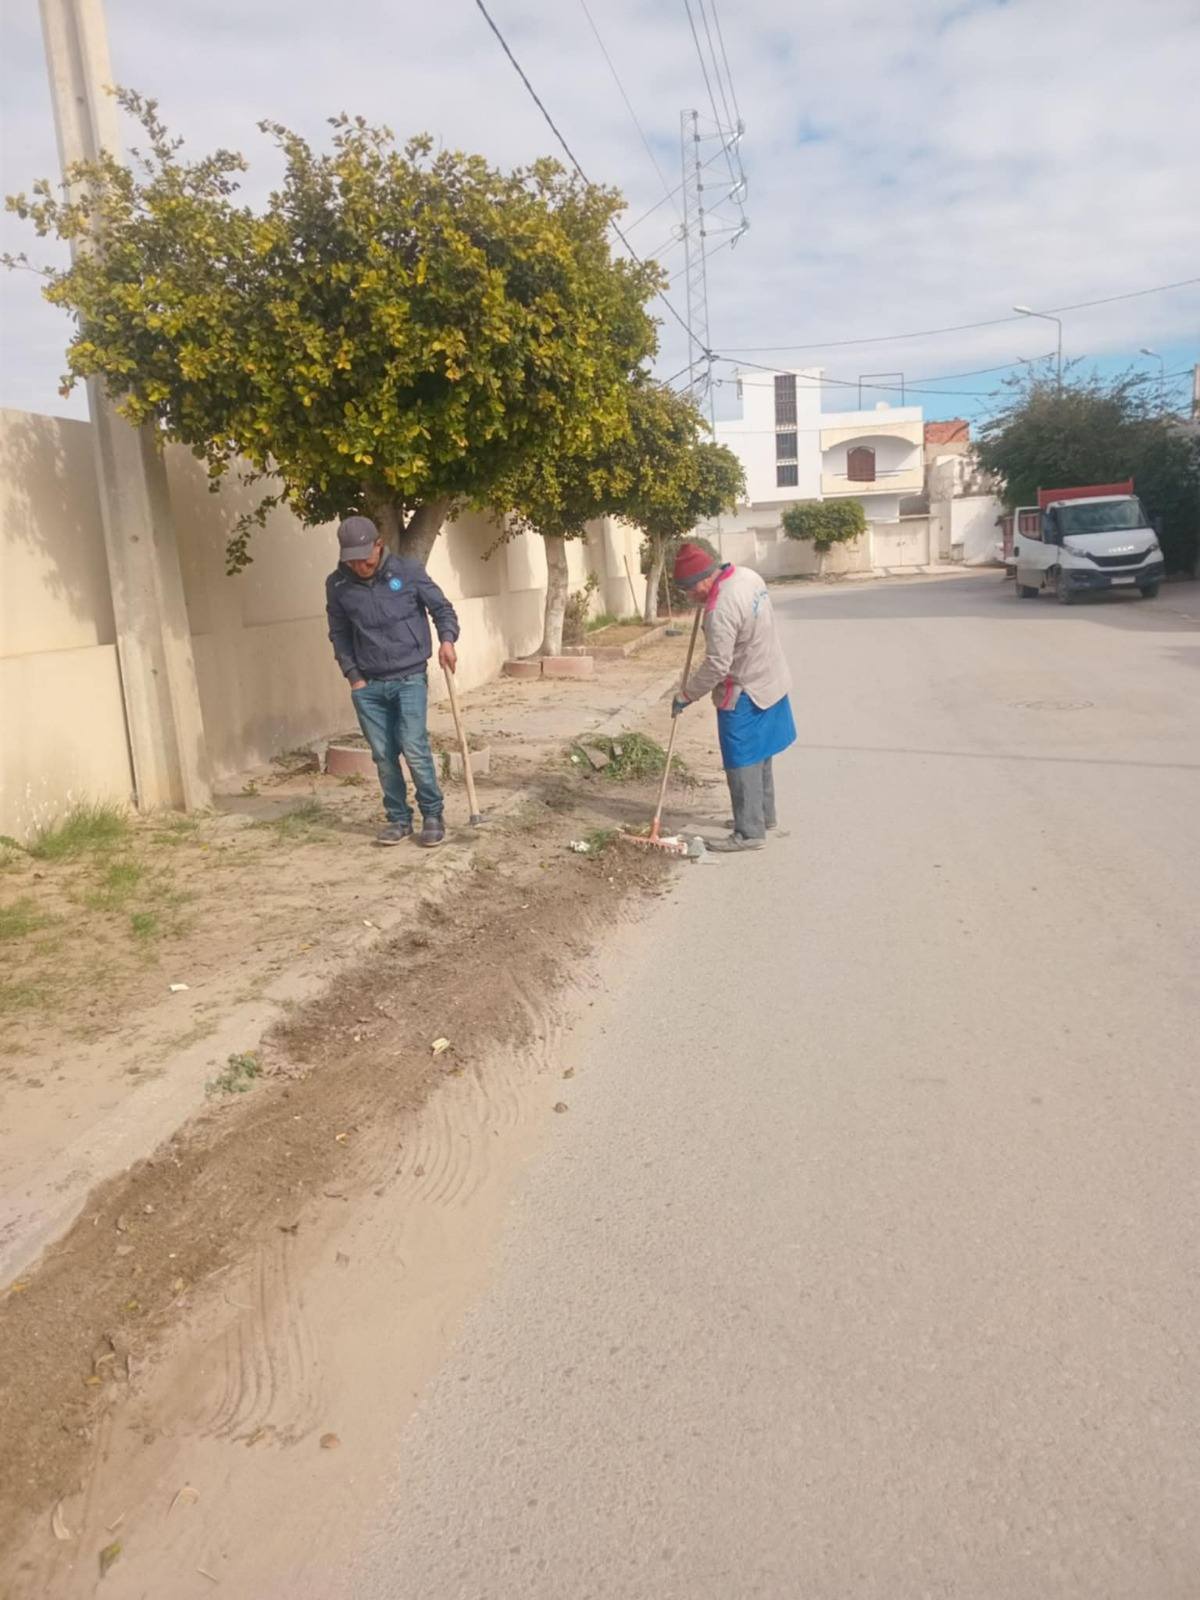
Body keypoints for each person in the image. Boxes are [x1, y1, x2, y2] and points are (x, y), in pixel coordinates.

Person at [325, 515, 460, 848]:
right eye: (352, 561)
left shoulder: (408, 571)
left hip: (409, 677)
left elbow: (442, 609)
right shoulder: (338, 585)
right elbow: (339, 633)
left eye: (366, 559)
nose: (360, 567)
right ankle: (399, 818)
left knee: (414, 747)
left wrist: (447, 640)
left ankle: (432, 814)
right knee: (383, 755)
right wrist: (354, 677)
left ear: (379, 545)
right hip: (368, 685)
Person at [670, 541, 796, 854]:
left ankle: (749, 832)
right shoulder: (747, 576)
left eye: (689, 591)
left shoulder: (720, 609)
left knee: (742, 760)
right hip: (770, 676)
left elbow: (717, 665)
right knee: (762, 753)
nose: (689, 597)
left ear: (702, 582)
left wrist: (686, 695)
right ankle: (762, 815)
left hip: (746, 689)